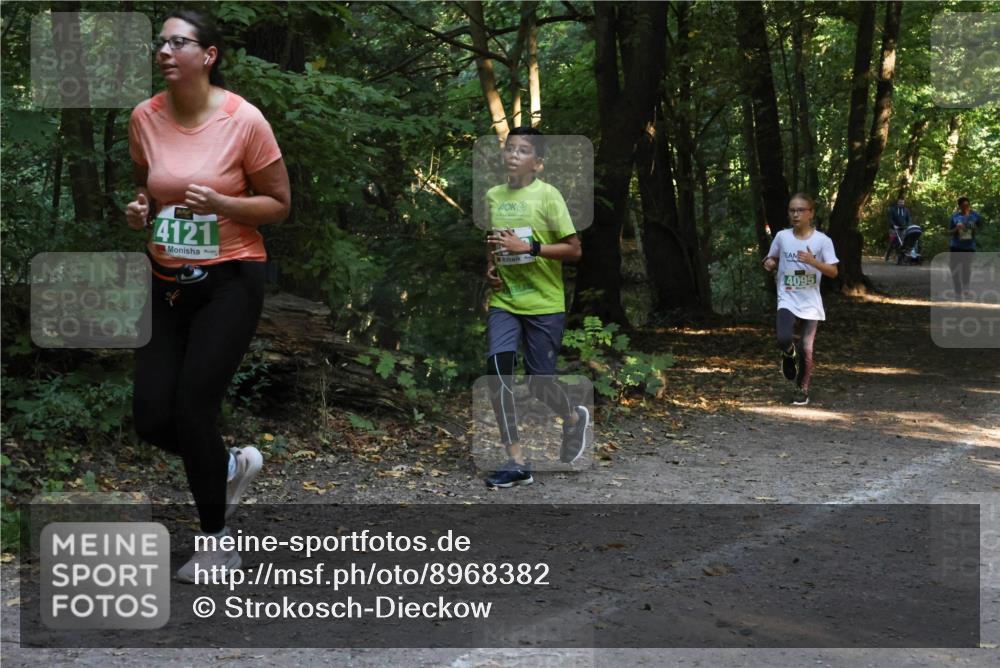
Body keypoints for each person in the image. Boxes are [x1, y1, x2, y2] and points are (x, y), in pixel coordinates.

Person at [125, 10, 290, 582]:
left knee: (194, 406)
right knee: (150, 417)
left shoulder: (244, 121)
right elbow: (151, 185)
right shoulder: (144, 117)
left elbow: (278, 203)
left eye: (179, 42)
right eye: (160, 42)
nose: (165, 51)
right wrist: (142, 209)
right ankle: (225, 464)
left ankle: (217, 541)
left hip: (231, 278)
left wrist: (223, 205)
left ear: (209, 54)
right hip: (165, 279)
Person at [483, 127, 589, 488]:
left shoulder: (549, 196)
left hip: (544, 303)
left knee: (540, 379)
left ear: (538, 163)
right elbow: (495, 241)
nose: (513, 154)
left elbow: (575, 250)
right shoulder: (494, 196)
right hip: (505, 302)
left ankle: (573, 418)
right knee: (498, 369)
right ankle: (516, 461)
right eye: (509, 148)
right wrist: (492, 267)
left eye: (523, 150)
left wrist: (528, 249)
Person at [762, 194, 839, 406]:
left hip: (810, 301)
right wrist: (769, 263)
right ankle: (788, 355)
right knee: (783, 338)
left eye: (800, 210)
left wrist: (813, 261)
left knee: (806, 347)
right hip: (787, 297)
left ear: (811, 213)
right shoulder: (782, 237)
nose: (796, 214)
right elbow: (772, 258)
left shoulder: (822, 241)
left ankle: (802, 388)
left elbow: (833, 272)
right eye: (792, 210)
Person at [948, 197, 984, 300]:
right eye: (963, 206)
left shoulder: (975, 216)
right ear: (960, 206)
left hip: (969, 247)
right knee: (954, 270)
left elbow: (979, 228)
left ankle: (966, 286)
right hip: (955, 246)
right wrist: (956, 229)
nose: (966, 207)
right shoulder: (955, 217)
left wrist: (973, 227)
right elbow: (949, 232)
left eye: (967, 205)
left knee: (966, 269)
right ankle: (957, 290)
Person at [885, 197, 911, 262]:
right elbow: (890, 218)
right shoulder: (893, 209)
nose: (901, 203)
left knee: (901, 243)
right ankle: (887, 256)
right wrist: (893, 225)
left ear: (904, 203)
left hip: (902, 229)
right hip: (893, 229)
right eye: (900, 202)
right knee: (892, 242)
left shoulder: (906, 210)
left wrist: (908, 225)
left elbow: (909, 219)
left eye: (902, 202)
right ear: (897, 202)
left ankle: (899, 257)